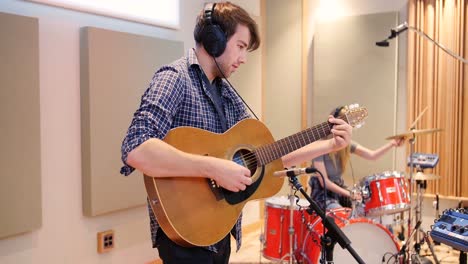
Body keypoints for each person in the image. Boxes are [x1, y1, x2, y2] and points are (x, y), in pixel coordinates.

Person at [120, 2, 352, 263]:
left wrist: (328, 145)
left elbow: (268, 158)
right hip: (185, 233)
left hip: (220, 228)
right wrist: (212, 168)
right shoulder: (174, 79)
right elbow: (135, 148)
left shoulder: (228, 95)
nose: (243, 58)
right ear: (214, 39)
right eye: (240, 46)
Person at [309, 108, 405, 210]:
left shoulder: (346, 144)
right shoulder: (320, 146)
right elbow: (325, 183)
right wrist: (350, 193)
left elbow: (372, 156)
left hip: (339, 190)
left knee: (364, 207)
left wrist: (392, 144)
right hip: (322, 195)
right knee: (341, 213)